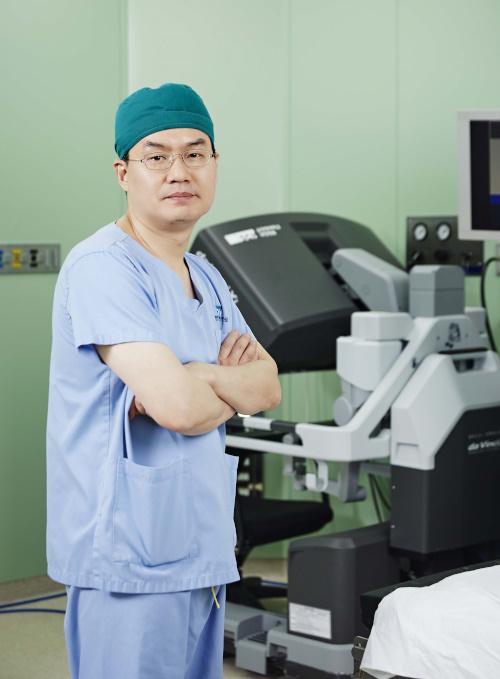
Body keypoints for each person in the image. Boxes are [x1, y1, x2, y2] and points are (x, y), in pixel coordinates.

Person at [46, 82, 281, 679]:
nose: (180, 171)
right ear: (124, 173)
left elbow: (267, 388)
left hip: (198, 541)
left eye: (195, 153)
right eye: (157, 156)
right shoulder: (103, 268)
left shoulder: (204, 273)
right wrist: (208, 386)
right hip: (128, 551)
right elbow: (180, 409)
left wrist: (196, 376)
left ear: (215, 163)